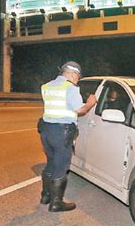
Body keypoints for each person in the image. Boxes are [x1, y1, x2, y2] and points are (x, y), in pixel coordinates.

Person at [38, 61, 96, 212]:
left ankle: (45, 195)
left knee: (51, 161)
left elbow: (60, 105)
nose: (78, 79)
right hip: (61, 132)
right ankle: (56, 203)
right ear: (72, 73)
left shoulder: (47, 86)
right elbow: (80, 110)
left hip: (46, 130)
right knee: (61, 165)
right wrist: (90, 103)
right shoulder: (70, 88)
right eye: (78, 76)